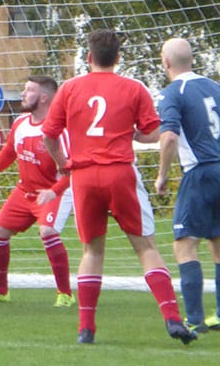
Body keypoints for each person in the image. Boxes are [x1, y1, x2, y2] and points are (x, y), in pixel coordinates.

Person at [41, 29, 196, 345]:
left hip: (84, 177)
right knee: (146, 247)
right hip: (119, 173)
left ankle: (86, 329)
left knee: (92, 251)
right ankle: (172, 319)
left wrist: (63, 163)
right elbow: (155, 132)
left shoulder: (70, 88)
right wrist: (135, 135)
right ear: (119, 58)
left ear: (88, 57)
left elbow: (49, 135)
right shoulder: (133, 88)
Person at [0, 75, 74, 307]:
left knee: (48, 233)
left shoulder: (60, 130)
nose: (23, 94)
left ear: (44, 97)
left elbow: (71, 172)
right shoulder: (20, 123)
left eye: (29, 90)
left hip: (52, 191)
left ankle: (65, 294)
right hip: (25, 191)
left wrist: (54, 192)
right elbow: (9, 152)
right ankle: (0, 291)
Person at [154, 38, 220, 334]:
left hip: (199, 173)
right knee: (218, 244)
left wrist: (162, 175)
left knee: (184, 245)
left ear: (166, 62)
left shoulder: (173, 92)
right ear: (191, 60)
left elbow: (168, 137)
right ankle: (218, 316)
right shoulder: (215, 87)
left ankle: (195, 318)